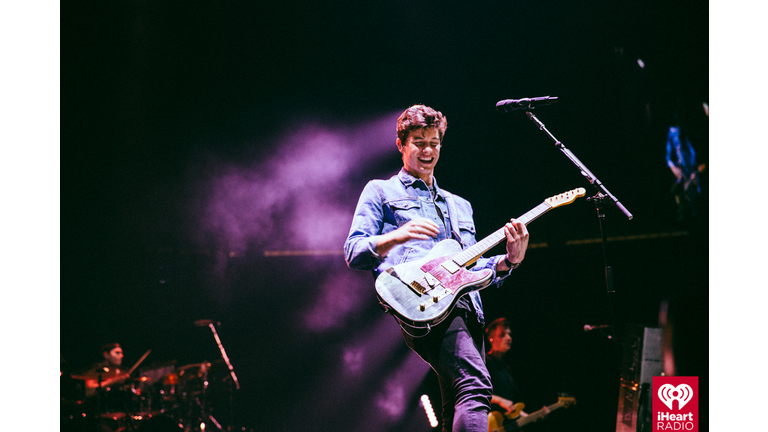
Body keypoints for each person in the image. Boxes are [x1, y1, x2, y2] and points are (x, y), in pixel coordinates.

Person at [344, 105, 530, 432]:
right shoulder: (381, 191)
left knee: (455, 404)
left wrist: (509, 260)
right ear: (401, 144)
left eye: (434, 142)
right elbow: (354, 251)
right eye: (419, 141)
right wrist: (396, 236)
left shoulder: (460, 206)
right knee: (476, 385)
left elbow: (472, 268)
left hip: (468, 307)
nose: (428, 150)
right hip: (424, 303)